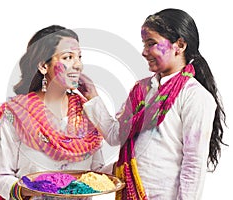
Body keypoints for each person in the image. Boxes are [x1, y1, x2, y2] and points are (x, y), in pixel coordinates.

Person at [79, 8, 227, 199]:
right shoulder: (141, 89)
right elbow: (116, 136)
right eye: (144, 44)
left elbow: (194, 165)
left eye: (152, 44)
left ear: (179, 45)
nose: (144, 52)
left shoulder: (195, 96)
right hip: (128, 192)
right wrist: (93, 97)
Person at [0, 25, 105, 200]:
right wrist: (34, 189)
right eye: (68, 57)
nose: (78, 65)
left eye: (79, 57)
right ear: (43, 66)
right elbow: (0, 178)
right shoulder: (17, 115)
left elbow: (97, 174)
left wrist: (130, 157)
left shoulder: (87, 113)